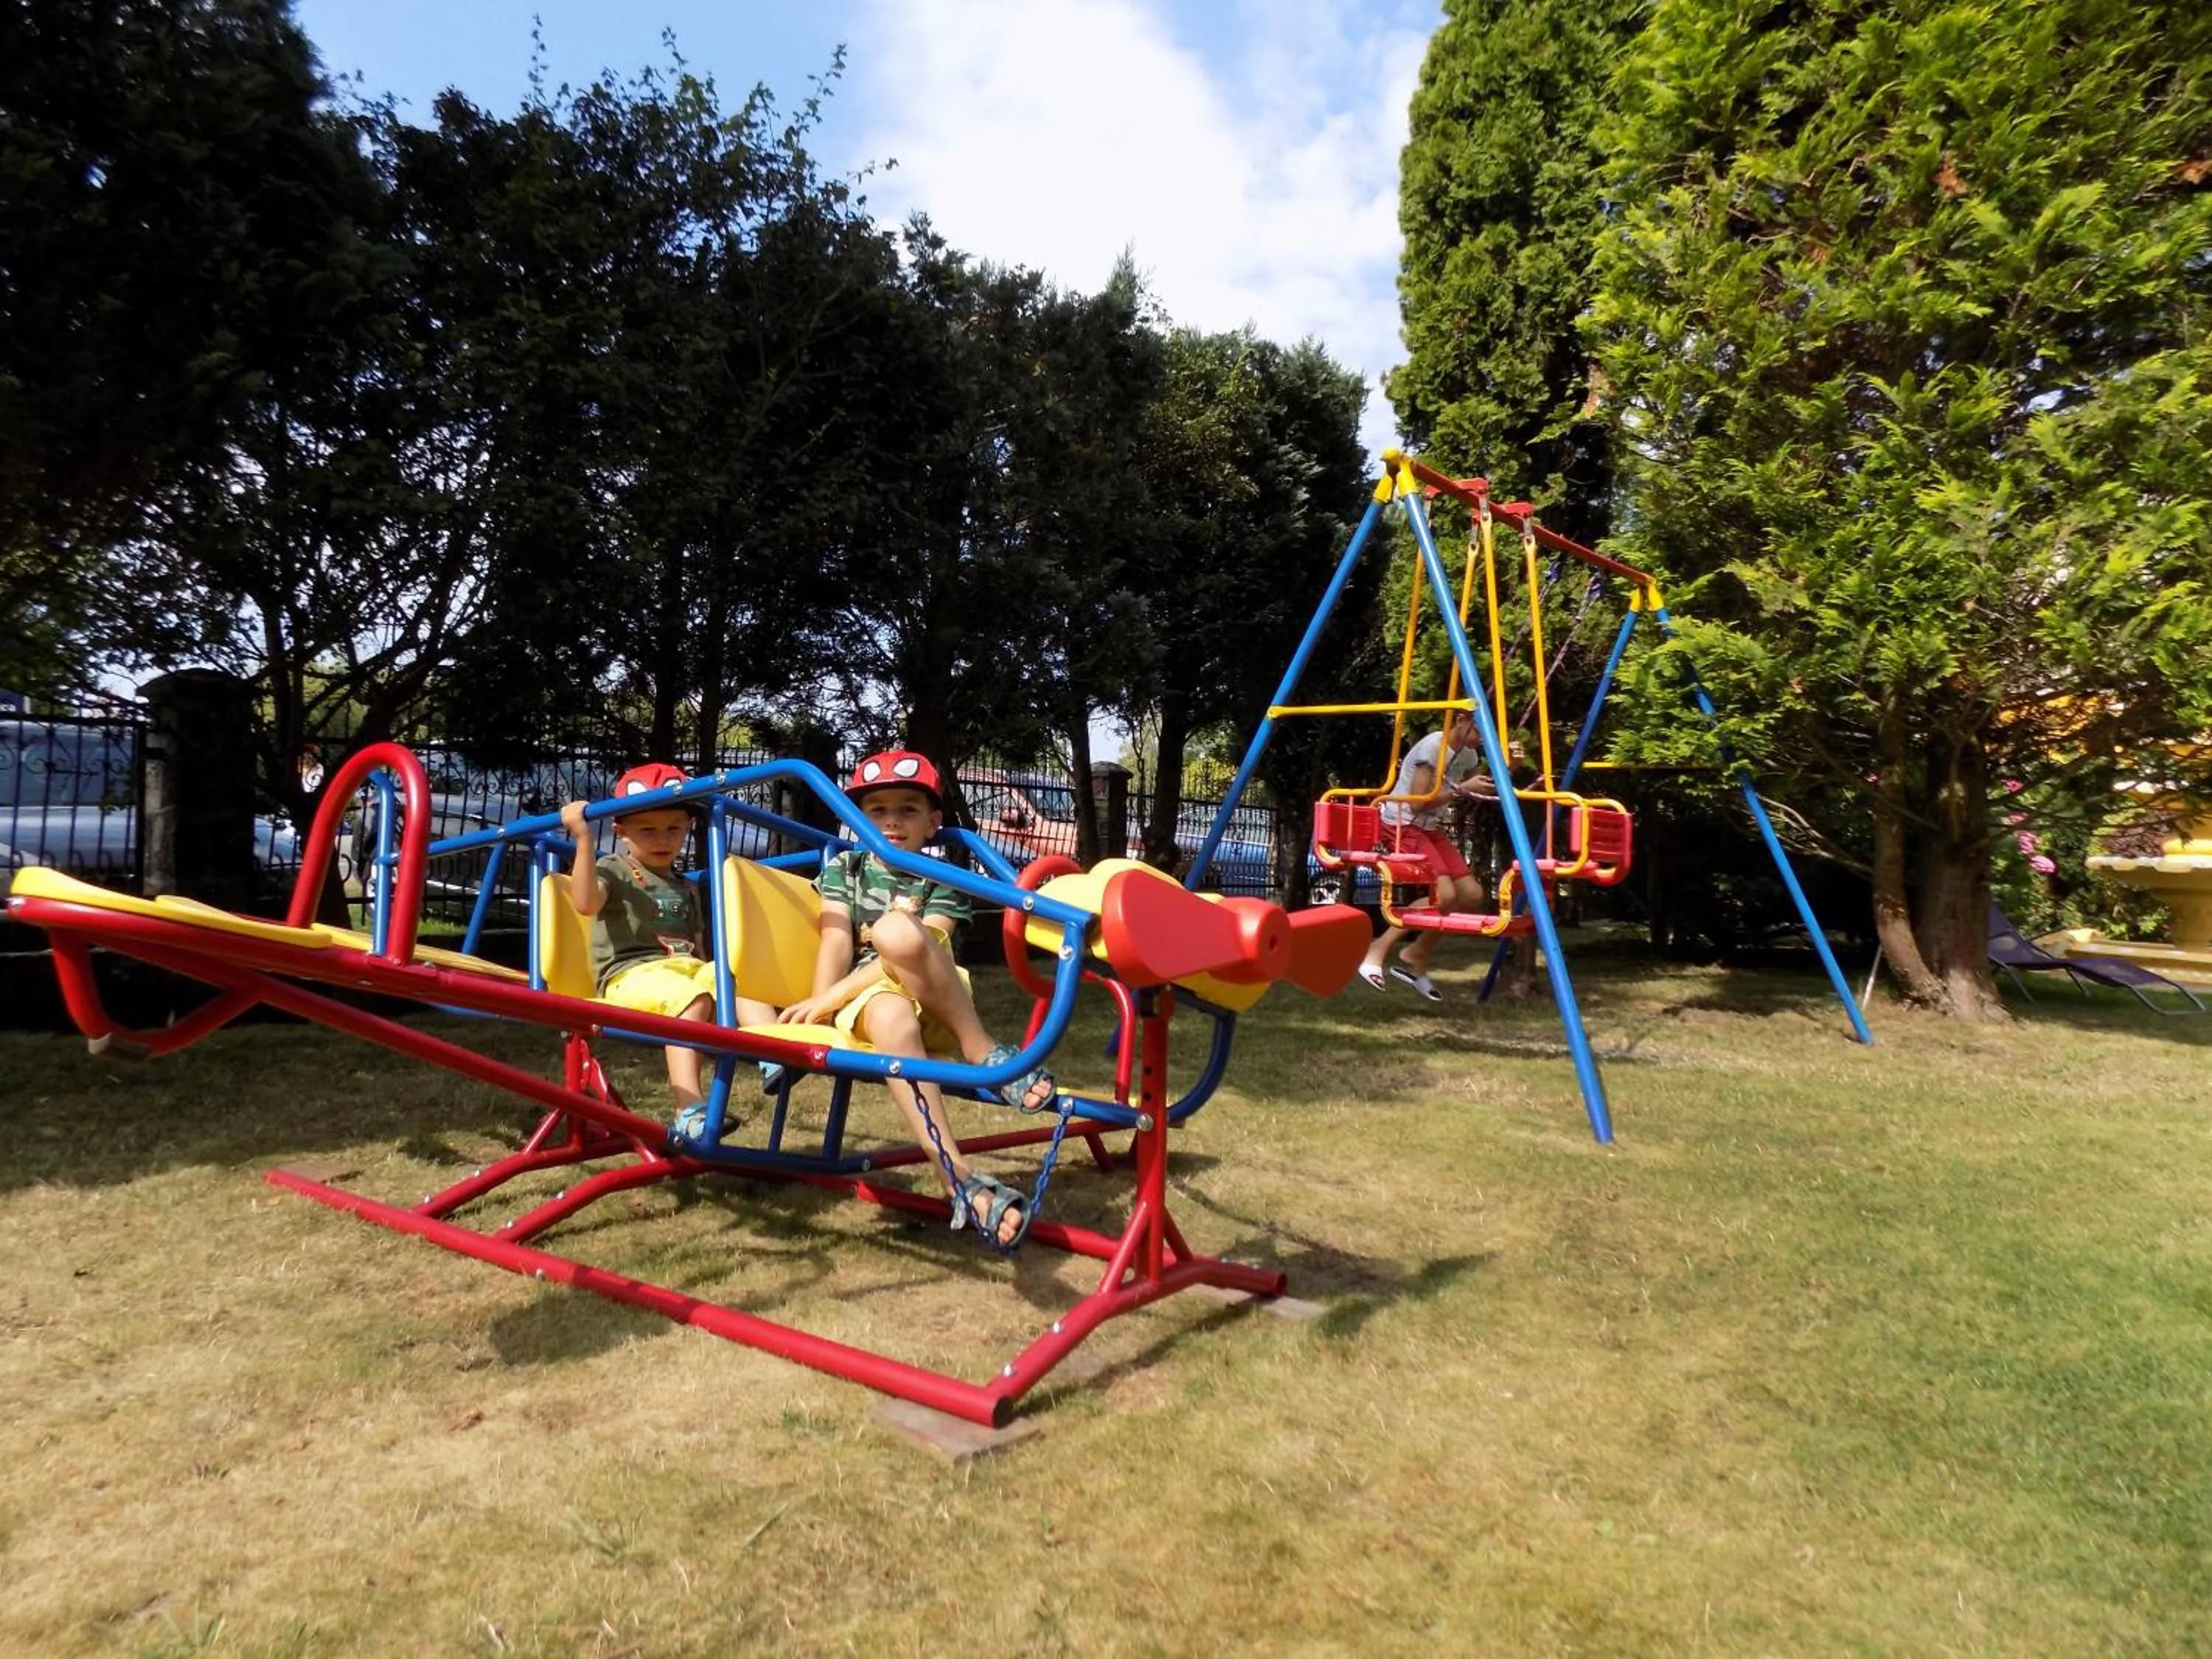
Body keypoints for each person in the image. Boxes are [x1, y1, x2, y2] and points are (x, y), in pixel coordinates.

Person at [776, 748, 1054, 1247]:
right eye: (877, 810)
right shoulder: (846, 870)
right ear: (858, 820)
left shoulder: (943, 877)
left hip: (941, 996)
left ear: (933, 822)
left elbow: (923, 945)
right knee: (890, 1014)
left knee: (898, 932)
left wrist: (835, 992)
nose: (892, 821)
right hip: (876, 1004)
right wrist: (819, 1008)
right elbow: (836, 939)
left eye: (908, 809)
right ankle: (960, 1180)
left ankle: (980, 1046)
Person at [559, 764, 779, 1140]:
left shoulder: (684, 885)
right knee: (690, 997)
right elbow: (584, 903)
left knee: (735, 977)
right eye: (648, 829)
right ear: (621, 832)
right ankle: (688, 1109)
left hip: (684, 971)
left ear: (688, 829)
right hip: (630, 975)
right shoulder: (614, 868)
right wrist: (582, 839)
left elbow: (700, 948)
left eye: (673, 828)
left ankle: (777, 1053)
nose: (662, 839)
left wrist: (720, 985)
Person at [1357, 706, 1496, 1001]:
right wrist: (1461, 790)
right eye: (1479, 731)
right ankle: (1377, 950)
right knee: (1443, 897)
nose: (1482, 739)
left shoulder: (1468, 754)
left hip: (1428, 827)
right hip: (1401, 823)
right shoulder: (1432, 748)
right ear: (1461, 720)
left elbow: (1481, 789)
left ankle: (1415, 953)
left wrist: (1510, 767)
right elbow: (1419, 802)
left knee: (1471, 895)